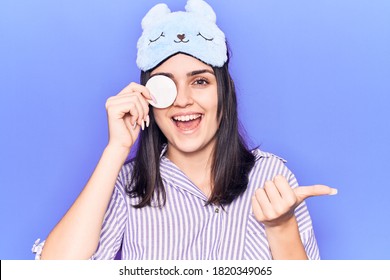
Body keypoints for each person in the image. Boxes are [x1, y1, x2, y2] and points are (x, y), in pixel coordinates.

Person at [32, 0, 337, 260]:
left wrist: (281, 226)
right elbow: (54, 272)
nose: (183, 100)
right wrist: (115, 150)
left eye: (200, 81)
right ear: (147, 96)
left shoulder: (271, 178)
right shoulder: (128, 185)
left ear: (223, 92)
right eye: (166, 84)